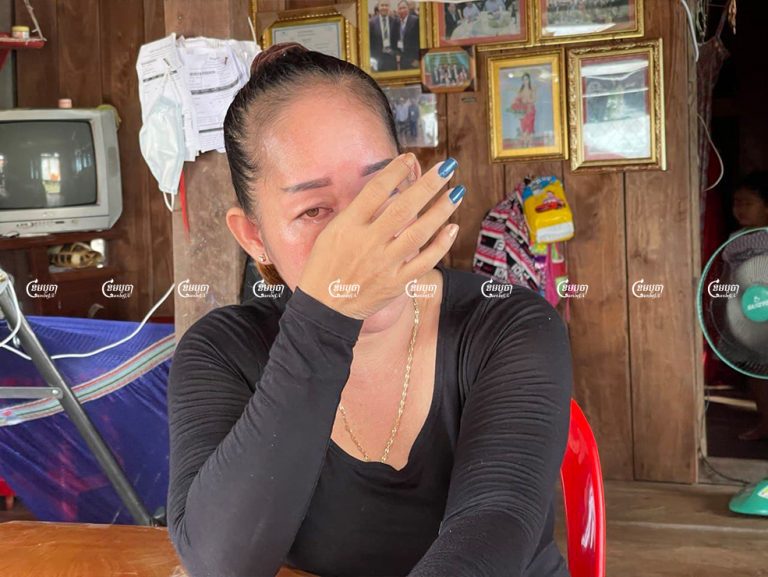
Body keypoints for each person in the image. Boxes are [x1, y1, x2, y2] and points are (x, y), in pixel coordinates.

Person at [166, 42, 573, 577]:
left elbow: (491, 531)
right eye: (314, 209)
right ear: (254, 236)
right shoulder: (224, 351)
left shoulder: (509, 325)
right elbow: (222, 561)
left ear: (411, 182)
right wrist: (326, 318)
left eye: (379, 190)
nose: (362, 237)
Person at [729, 171, 768, 441]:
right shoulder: (735, 239)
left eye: (747, 203)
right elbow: (725, 275)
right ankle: (765, 422)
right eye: (736, 203)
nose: (739, 209)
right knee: (754, 372)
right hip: (746, 315)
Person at [369, 1, 399, 72]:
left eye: (386, 5)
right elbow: (370, 42)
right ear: (378, 7)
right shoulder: (371, 23)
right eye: (382, 5)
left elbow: (397, 39)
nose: (384, 7)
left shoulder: (395, 22)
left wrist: (397, 53)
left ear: (389, 7)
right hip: (377, 59)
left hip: (392, 58)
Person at [510, 72, 536, 147]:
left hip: (531, 110)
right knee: (524, 127)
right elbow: (517, 100)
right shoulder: (520, 91)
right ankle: (525, 144)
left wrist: (527, 101)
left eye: (527, 79)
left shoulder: (532, 89)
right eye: (524, 79)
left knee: (530, 127)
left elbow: (534, 99)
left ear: (529, 80)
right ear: (522, 81)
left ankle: (529, 144)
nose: (525, 81)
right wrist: (516, 104)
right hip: (523, 111)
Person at [395, 0, 420, 70]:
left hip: (413, 59)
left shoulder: (415, 21)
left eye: (404, 8)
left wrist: (417, 59)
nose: (402, 10)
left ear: (408, 8)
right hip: (402, 59)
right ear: (397, 10)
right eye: (400, 8)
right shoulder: (396, 22)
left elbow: (420, 41)